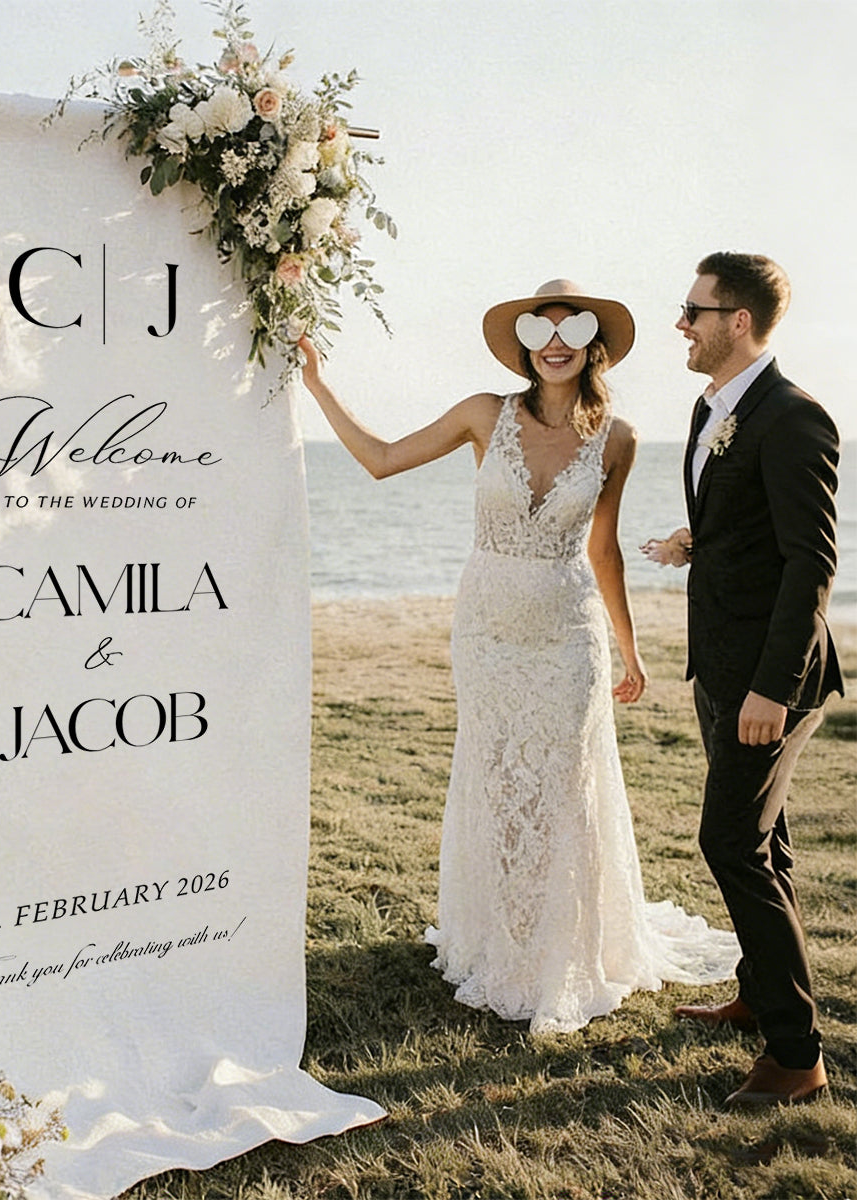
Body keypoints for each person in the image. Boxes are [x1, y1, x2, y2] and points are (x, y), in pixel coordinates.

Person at [300, 279, 738, 1034]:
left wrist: (629, 650)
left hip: (568, 633)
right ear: (525, 344)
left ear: (594, 345)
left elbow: (603, 549)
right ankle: (505, 939)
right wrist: (317, 384)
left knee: (564, 786)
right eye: (542, 329)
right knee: (500, 784)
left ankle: (561, 952)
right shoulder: (484, 414)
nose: (556, 343)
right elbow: (380, 460)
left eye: (572, 329)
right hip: (487, 631)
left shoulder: (620, 438)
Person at [642, 252, 843, 1106]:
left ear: (740, 321)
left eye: (694, 310)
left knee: (730, 843)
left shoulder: (794, 418)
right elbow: (747, 521)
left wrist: (773, 690)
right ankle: (760, 995)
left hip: (771, 679)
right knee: (767, 841)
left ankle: (797, 1055)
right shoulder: (710, 409)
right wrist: (695, 542)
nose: (680, 324)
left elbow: (811, 563)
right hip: (720, 663)